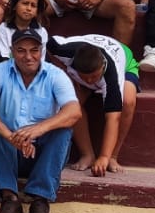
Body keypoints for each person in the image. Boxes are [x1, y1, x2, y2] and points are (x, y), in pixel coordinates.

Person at [0, 30, 82, 213]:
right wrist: (11, 136)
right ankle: (10, 199)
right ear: (12, 51)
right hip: (8, 148)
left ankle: (40, 200)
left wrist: (39, 129)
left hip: (41, 151)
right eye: (21, 50)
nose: (28, 56)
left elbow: (74, 111)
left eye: (34, 50)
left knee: (63, 130)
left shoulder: (55, 74)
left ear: (41, 51)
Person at [48, 35, 139, 177]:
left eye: (94, 77)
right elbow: (44, 42)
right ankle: (87, 154)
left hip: (124, 61)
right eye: (86, 77)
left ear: (102, 66)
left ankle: (113, 156)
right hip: (84, 55)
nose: (90, 81)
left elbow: (113, 118)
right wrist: (63, 71)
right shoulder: (62, 50)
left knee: (128, 100)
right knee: (71, 104)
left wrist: (104, 156)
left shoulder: (112, 77)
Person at [0, 0, 53, 68]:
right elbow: (2, 59)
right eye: (25, 3)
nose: (29, 8)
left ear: (37, 12)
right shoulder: (4, 28)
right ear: (15, 6)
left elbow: (42, 61)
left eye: (33, 5)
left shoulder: (41, 31)